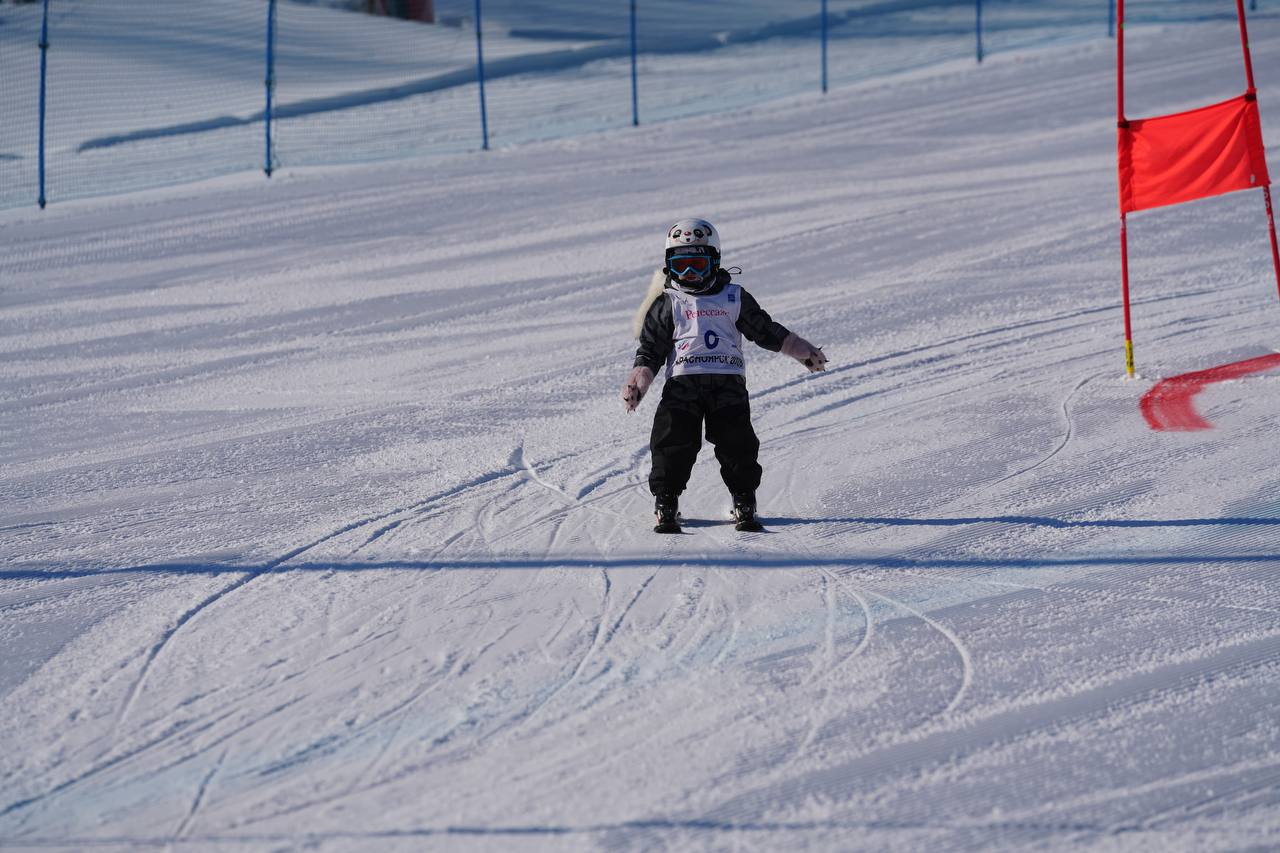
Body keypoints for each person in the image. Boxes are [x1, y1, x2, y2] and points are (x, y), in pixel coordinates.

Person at [621, 218, 828, 533]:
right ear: (668, 266)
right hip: (683, 385)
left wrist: (799, 349)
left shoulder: (733, 297)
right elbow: (651, 349)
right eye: (680, 265)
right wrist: (639, 381)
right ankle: (666, 498)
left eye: (697, 264)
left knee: (737, 443)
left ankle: (744, 498)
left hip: (727, 384)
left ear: (714, 261)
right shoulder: (668, 303)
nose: (689, 273)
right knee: (672, 440)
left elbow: (764, 330)